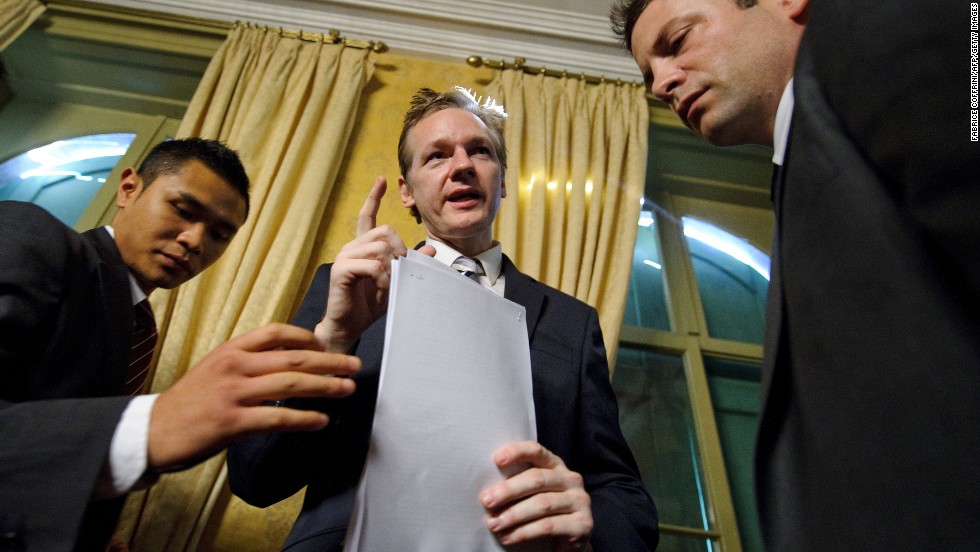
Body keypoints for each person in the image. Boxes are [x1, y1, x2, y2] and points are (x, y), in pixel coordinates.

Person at [612, 0, 980, 550]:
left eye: (679, 40)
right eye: (649, 76)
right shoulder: (801, 169)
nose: (663, 82)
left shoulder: (872, 29)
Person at [227, 87, 659, 551]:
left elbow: (620, 489)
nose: (462, 166)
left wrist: (587, 528)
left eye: (480, 151)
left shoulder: (571, 323)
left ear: (503, 181)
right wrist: (334, 338)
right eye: (436, 156)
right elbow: (255, 477)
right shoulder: (346, 289)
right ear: (407, 193)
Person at [0, 138, 361, 552]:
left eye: (220, 234)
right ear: (129, 188)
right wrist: (147, 424)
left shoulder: (134, 323)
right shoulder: (30, 235)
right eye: (183, 211)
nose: (195, 240)